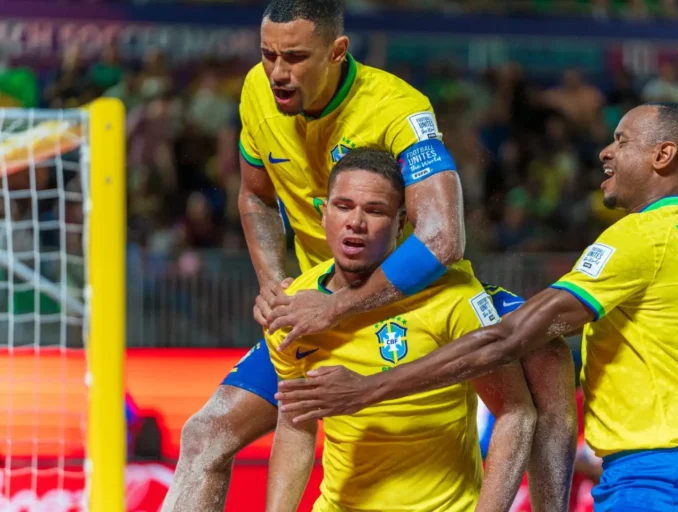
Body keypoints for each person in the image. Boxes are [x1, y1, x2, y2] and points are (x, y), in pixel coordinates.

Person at [162, 1, 576, 510]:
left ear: (338, 52)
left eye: (294, 57)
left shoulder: (397, 107)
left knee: (549, 352)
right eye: (268, 55)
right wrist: (274, 283)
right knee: (205, 434)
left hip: (410, 296)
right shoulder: (255, 92)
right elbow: (255, 196)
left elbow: (443, 238)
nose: (277, 73)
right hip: (322, 305)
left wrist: (336, 308)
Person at [276, 103, 678, 512]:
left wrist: (368, 389)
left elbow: (509, 338)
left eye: (621, 140)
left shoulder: (642, 237)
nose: (605, 152)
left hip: (657, 480)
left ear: (663, 156)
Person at [266, 148, 536, 511]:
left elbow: (516, 412)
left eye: (375, 210)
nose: (355, 222)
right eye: (343, 206)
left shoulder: (453, 295)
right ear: (323, 213)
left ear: (402, 222)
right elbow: (295, 425)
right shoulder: (293, 306)